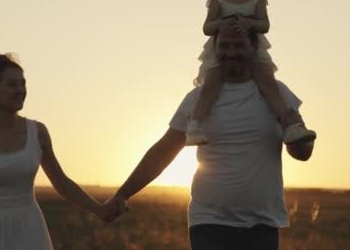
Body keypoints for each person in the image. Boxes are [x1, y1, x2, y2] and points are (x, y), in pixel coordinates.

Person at [103, 28, 316, 249]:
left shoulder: (277, 94)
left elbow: (303, 153)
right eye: (224, 45)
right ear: (214, 49)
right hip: (209, 223)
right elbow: (164, 150)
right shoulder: (197, 99)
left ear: (254, 47)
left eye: (239, 45)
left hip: (263, 224)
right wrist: (122, 194)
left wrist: (294, 131)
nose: (231, 52)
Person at [0, 53, 109, 250]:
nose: (20, 90)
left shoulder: (38, 133)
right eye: (12, 84)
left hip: (29, 230)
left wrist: (99, 210)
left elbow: (61, 183)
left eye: (23, 84)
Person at [186, 0, 316, 146]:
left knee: (268, 84)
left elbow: (265, 25)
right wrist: (220, 23)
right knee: (211, 85)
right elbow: (207, 28)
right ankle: (194, 126)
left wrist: (249, 23)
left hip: (252, 50)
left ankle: (289, 126)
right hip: (222, 51)